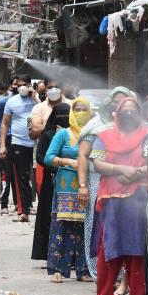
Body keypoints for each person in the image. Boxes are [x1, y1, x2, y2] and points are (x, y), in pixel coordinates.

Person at [93, 98, 148, 295]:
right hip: (112, 200)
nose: (128, 113)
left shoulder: (147, 135)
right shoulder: (104, 136)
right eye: (124, 110)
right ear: (117, 113)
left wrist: (136, 173)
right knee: (110, 247)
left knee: (137, 249)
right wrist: (120, 170)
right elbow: (97, 163)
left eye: (132, 110)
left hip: (139, 198)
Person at [78, 87, 136, 284]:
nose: (119, 105)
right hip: (98, 182)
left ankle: (124, 277)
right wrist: (83, 185)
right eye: (116, 100)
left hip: (130, 184)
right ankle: (98, 272)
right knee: (98, 226)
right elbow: (83, 156)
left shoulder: (137, 127)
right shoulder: (96, 125)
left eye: (125, 101)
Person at [44, 98, 93, 282]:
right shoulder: (63, 134)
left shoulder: (92, 135)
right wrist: (67, 161)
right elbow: (48, 158)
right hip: (65, 186)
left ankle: (84, 270)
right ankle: (57, 269)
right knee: (61, 228)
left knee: (84, 229)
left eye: (84, 110)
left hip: (86, 187)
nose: (80, 113)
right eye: (77, 109)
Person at [32, 103, 71, 262]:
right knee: (48, 214)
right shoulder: (48, 134)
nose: (64, 119)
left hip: (71, 179)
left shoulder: (73, 134)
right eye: (60, 116)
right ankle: (47, 251)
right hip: (51, 179)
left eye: (67, 116)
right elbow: (40, 156)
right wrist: (55, 165)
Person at [0, 74, 38, 222]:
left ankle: (36, 207)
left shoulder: (37, 101)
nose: (21, 87)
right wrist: (3, 145)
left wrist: (35, 97)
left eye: (25, 84)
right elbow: (4, 123)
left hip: (36, 145)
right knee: (22, 178)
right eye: (19, 85)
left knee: (36, 179)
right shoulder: (11, 102)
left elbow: (46, 114)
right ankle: (24, 211)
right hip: (18, 144)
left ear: (30, 84)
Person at [0, 78, 19, 215]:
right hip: (8, 140)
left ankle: (18, 204)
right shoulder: (3, 102)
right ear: (11, 85)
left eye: (21, 85)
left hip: (21, 142)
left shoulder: (27, 102)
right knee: (5, 175)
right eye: (15, 84)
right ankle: (4, 204)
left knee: (19, 176)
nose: (17, 87)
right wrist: (6, 134)